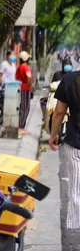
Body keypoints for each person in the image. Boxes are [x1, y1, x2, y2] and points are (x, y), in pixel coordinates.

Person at [49, 69, 80, 229]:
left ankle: (76, 228)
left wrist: (53, 134)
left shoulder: (69, 79)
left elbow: (59, 112)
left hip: (75, 143)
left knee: (76, 191)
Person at [15, 51, 33, 134]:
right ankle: (21, 127)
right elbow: (29, 76)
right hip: (25, 89)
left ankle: (20, 126)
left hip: (20, 88)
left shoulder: (19, 67)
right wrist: (29, 84)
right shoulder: (25, 67)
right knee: (25, 108)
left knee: (22, 107)